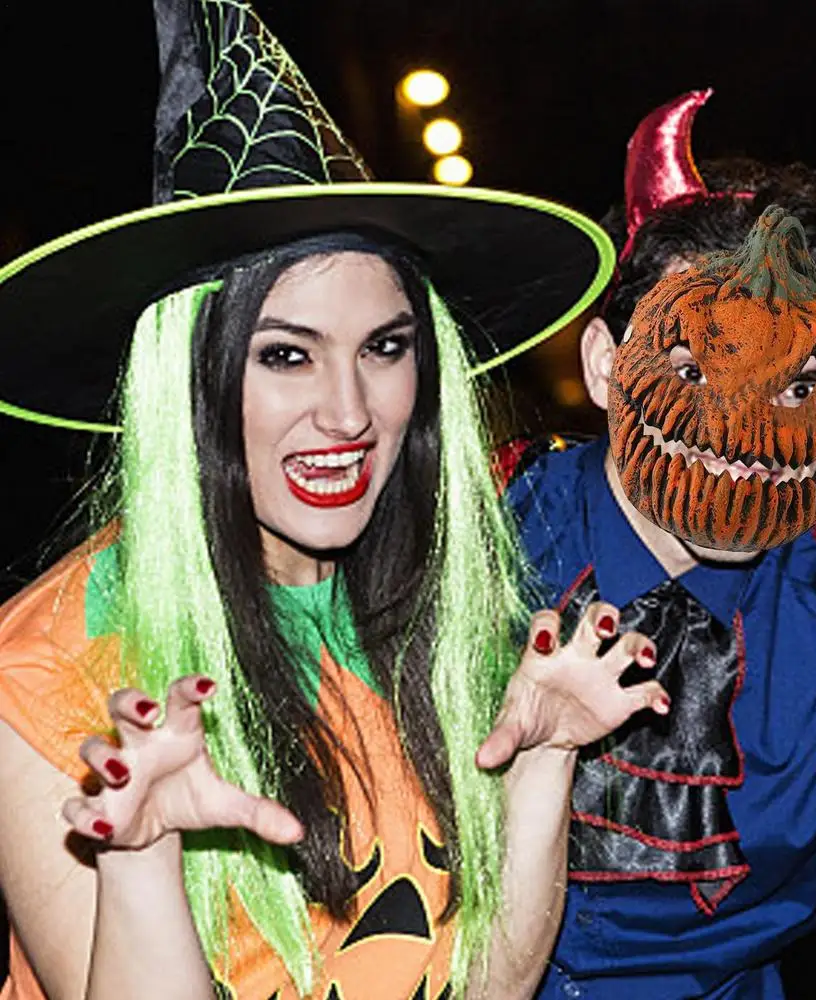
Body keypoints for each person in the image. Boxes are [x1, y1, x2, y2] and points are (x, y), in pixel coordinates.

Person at [0, 3, 668, 999]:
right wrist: (140, 865)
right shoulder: (46, 670)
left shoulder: (439, 622)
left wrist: (545, 764)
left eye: (385, 347)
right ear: (188, 381)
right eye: (286, 355)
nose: (350, 412)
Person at [495, 18, 816, 996]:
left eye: (794, 385)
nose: (748, 425)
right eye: (696, 366)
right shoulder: (474, 544)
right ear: (604, 365)